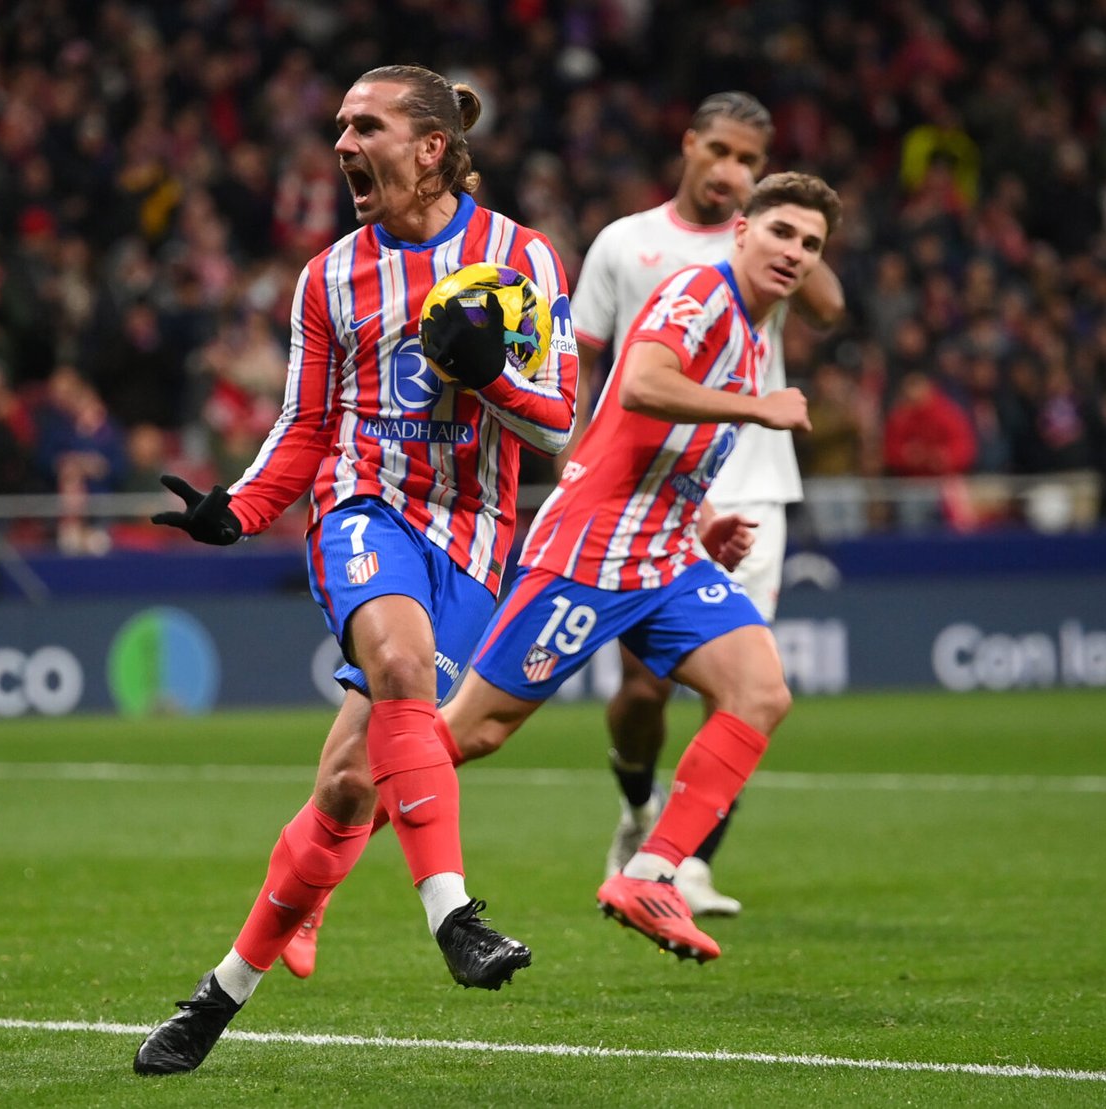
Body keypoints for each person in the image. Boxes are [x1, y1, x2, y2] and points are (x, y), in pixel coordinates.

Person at [132, 64, 577, 1077]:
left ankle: (214, 998)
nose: (341, 143)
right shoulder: (330, 275)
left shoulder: (521, 258)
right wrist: (238, 509)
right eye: (337, 124)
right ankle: (454, 915)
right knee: (401, 661)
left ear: (429, 147)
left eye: (364, 126)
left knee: (344, 787)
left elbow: (557, 421)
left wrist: (487, 370)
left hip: (469, 532)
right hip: (361, 506)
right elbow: (305, 423)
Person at [441, 172, 841, 961]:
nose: (794, 252)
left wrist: (701, 518)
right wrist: (759, 409)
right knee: (471, 732)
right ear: (741, 232)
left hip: (664, 553)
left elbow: (652, 449)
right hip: (591, 550)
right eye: (781, 233)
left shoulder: (756, 331)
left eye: (812, 243)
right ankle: (319, 854)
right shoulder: (701, 293)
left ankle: (652, 873)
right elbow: (643, 384)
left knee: (760, 690)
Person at [571, 93, 845, 917]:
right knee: (646, 691)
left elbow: (831, 312)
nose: (731, 171)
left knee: (741, 688)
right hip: (648, 486)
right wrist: (577, 463)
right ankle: (636, 805)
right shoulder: (626, 243)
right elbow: (589, 364)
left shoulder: (774, 243)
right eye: (721, 152)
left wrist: (779, 215)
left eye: (750, 162)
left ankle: (679, 865)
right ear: (688, 145)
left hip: (750, 482)